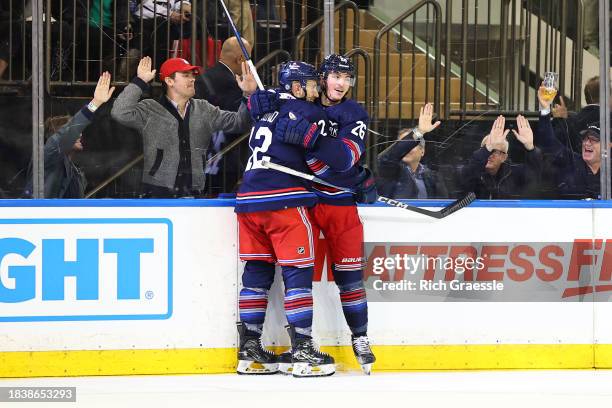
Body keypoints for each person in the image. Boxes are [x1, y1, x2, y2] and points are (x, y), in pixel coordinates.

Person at [257, 54, 377, 374]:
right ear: (321, 78)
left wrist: (352, 176)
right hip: (305, 202)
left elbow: (343, 158)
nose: (342, 83)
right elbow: (269, 108)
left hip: (339, 205)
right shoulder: (303, 101)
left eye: (347, 78)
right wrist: (260, 102)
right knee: (298, 276)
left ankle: (360, 337)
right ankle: (301, 344)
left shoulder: (354, 113)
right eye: (336, 76)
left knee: (350, 279)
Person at [235, 61, 335, 377]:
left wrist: (253, 98)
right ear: (295, 87)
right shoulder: (309, 114)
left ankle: (250, 350)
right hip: (285, 200)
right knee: (297, 274)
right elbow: (329, 160)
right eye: (311, 84)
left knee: (256, 272)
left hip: (249, 201)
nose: (317, 90)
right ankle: (303, 351)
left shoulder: (264, 111)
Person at [111, 56, 255, 197]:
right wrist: (140, 81)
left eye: (193, 75)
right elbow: (119, 112)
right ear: (169, 81)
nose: (192, 79)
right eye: (186, 75)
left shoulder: (204, 108)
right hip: (158, 192)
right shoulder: (150, 108)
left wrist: (248, 95)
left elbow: (240, 122)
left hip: (194, 192)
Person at [24, 72, 115, 198]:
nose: (80, 134)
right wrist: (95, 103)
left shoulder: (74, 169)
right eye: (75, 132)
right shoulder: (49, 153)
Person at [194, 36, 253, 195]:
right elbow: (241, 121)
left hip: (206, 157)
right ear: (241, 58)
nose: (250, 64)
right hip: (220, 160)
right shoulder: (229, 83)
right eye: (249, 58)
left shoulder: (207, 76)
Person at [537, 86, 602, 199]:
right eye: (585, 138)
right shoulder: (570, 161)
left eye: (594, 140)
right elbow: (548, 142)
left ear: (608, 146)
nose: (587, 143)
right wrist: (545, 109)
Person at [461, 115, 543, 199]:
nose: (489, 155)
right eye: (487, 149)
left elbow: (534, 177)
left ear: (504, 157)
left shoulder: (515, 173)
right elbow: (465, 178)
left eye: (494, 151)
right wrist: (487, 148)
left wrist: (531, 149)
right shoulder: (472, 170)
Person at [376, 104, 447, 199]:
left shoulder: (432, 177)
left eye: (412, 145)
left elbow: (442, 203)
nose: (405, 149)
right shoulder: (390, 169)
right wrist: (419, 131)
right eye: (402, 145)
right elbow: (390, 156)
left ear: (422, 151)